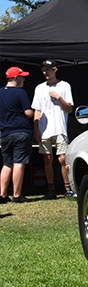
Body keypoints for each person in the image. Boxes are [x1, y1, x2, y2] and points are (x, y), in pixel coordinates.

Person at [32, 60, 74, 199]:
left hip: (60, 127)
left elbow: (69, 108)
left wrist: (59, 98)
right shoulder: (39, 88)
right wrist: (36, 128)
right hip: (44, 129)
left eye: (48, 69)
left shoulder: (64, 85)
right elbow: (37, 109)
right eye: (44, 70)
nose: (46, 72)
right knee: (47, 159)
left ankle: (68, 188)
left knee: (62, 158)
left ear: (55, 70)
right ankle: (51, 189)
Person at [0, 67, 34, 203]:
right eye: (21, 77)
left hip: (5, 133)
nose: (24, 79)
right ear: (14, 78)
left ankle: (2, 195)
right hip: (21, 130)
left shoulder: (1, 92)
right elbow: (28, 113)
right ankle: (16, 195)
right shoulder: (20, 92)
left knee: (6, 164)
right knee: (19, 162)